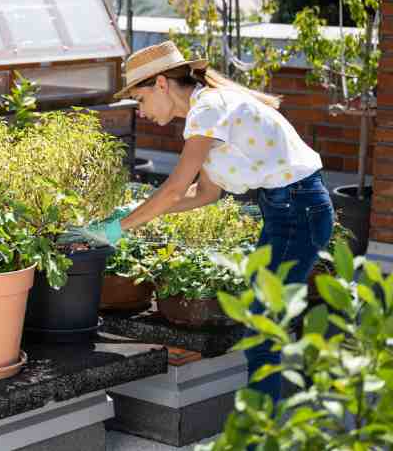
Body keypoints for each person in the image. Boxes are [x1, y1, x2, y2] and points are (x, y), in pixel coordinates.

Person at [93, 41, 334, 404]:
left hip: (298, 210)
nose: (140, 112)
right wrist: (133, 214)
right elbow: (203, 194)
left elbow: (174, 189)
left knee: (261, 327)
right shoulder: (208, 111)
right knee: (264, 323)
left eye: (139, 100)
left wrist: (119, 228)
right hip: (286, 209)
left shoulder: (208, 110)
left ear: (161, 83)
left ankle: (260, 435)